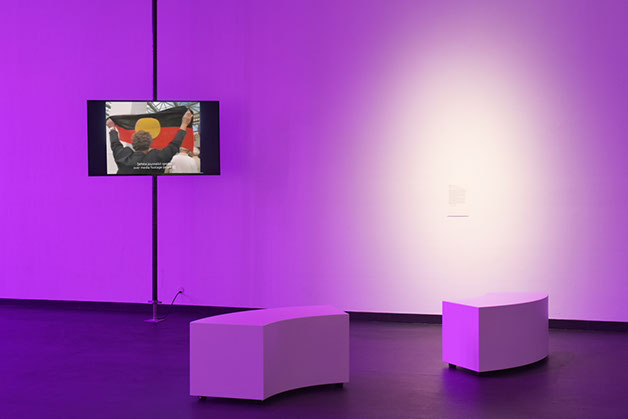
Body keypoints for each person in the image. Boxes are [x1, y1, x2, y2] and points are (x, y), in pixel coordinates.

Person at [106, 110, 193, 174]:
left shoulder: (123, 157)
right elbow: (175, 144)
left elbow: (115, 144)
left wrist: (112, 128)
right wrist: (184, 124)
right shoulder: (157, 159)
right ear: (150, 144)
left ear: (133, 143)